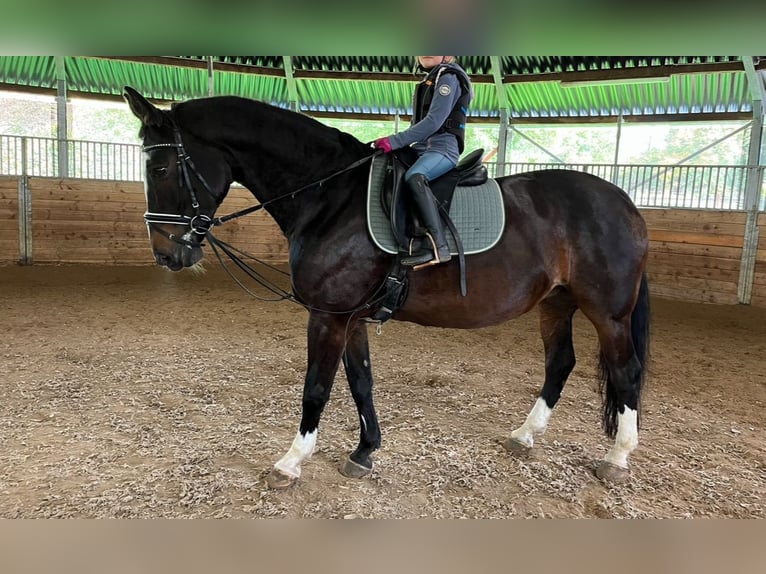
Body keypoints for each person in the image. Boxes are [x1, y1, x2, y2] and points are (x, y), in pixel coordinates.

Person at [373, 56, 473, 267]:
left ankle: (438, 246)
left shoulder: (448, 78)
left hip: (442, 149)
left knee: (415, 176)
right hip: (422, 149)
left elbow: (434, 122)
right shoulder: (432, 78)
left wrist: (395, 140)